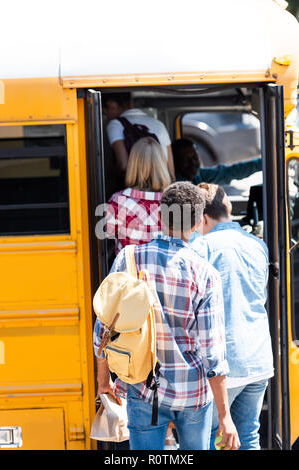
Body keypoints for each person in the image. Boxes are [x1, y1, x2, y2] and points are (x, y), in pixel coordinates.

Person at [94, 181, 240, 451]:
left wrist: (104, 382)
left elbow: (102, 330)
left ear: (160, 217)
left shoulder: (128, 259)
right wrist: (225, 416)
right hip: (193, 394)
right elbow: (213, 354)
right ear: (197, 224)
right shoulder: (205, 274)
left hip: (143, 388)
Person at [190, 183, 274, 450]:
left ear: (202, 218)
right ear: (228, 209)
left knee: (212, 436)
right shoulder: (258, 245)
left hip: (223, 364)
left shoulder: (201, 247)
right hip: (258, 358)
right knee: (248, 433)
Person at [104, 137, 171, 255]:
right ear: (162, 164)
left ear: (133, 164)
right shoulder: (176, 202)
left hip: (129, 271)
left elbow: (110, 237)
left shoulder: (117, 202)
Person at [102, 92, 175, 181]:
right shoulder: (159, 124)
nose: (107, 117)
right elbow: (170, 169)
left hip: (136, 187)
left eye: (104, 113)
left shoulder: (115, 124)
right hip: (161, 185)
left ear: (111, 104)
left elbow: (123, 165)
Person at [172, 138, 262, 185]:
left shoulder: (198, 175)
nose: (193, 163)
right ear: (175, 162)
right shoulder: (175, 186)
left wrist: (263, 163)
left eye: (195, 158)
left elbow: (229, 172)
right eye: (186, 160)